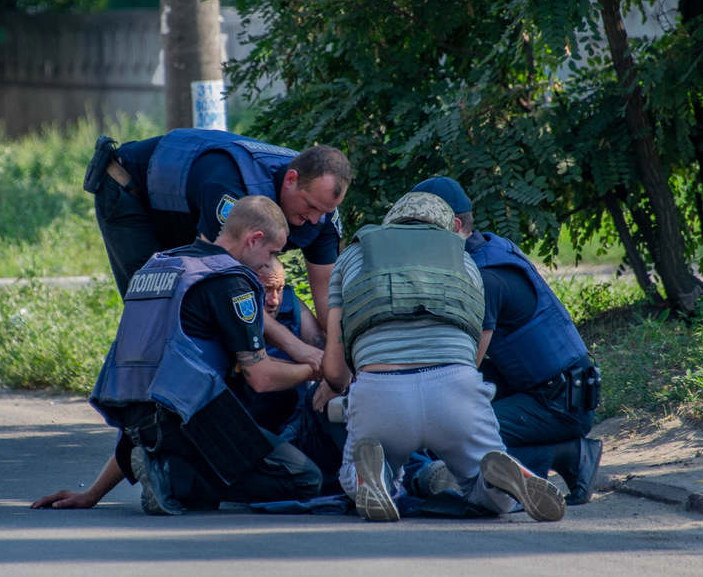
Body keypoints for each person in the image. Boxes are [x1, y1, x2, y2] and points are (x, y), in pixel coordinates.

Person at [31, 196, 321, 515]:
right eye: (272, 253)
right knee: (305, 479)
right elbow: (261, 378)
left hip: (140, 421)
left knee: (205, 497)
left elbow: (156, 380)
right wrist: (314, 369)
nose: (269, 262)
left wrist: (93, 493)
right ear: (253, 239)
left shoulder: (164, 265)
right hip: (188, 419)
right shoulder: (230, 281)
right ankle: (174, 478)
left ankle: (171, 473)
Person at [312, 191, 567, 523]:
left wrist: (337, 389)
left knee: (354, 470)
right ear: (448, 228)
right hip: (455, 389)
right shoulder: (466, 262)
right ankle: (494, 480)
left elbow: (335, 370)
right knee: (493, 500)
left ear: (393, 220)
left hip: (380, 393)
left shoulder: (352, 257)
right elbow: (472, 354)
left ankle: (378, 478)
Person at [83, 128, 351, 371]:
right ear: (291, 179)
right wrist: (297, 349)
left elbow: (329, 304)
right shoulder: (232, 190)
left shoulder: (321, 212)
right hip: (130, 189)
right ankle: (147, 399)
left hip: (190, 212)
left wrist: (339, 367)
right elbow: (225, 288)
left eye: (323, 211)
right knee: (159, 307)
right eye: (311, 207)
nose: (314, 219)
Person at [410, 176, 603, 505]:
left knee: (460, 436)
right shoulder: (485, 249)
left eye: (422, 229)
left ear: (454, 227)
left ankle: (571, 454)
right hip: (539, 389)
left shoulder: (484, 278)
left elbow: (462, 369)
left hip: (558, 404)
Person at [231, 258, 326, 435]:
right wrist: (316, 370)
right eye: (266, 289)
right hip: (246, 424)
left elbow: (322, 348)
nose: (274, 300)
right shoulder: (232, 308)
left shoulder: (292, 304)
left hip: (300, 425)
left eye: (279, 289)